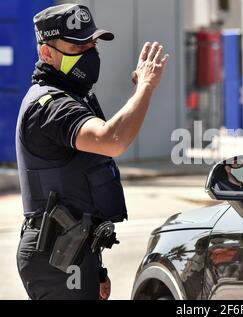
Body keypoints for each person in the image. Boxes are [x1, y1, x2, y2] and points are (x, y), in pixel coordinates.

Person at [15, 3, 169, 300]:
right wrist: (145, 88)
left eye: (91, 42)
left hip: (72, 248)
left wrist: (95, 267)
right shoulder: (50, 107)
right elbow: (112, 139)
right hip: (54, 255)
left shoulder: (72, 98)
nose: (89, 51)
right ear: (47, 53)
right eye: (77, 45)